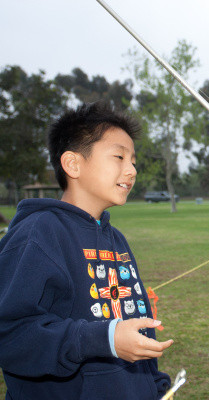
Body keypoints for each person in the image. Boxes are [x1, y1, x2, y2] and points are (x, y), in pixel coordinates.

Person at [0, 102, 173, 399]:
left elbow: (134, 328)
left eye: (133, 160)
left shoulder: (116, 239)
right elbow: (10, 335)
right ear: (73, 164)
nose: (131, 170)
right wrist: (101, 339)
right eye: (118, 156)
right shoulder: (38, 233)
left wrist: (154, 387)